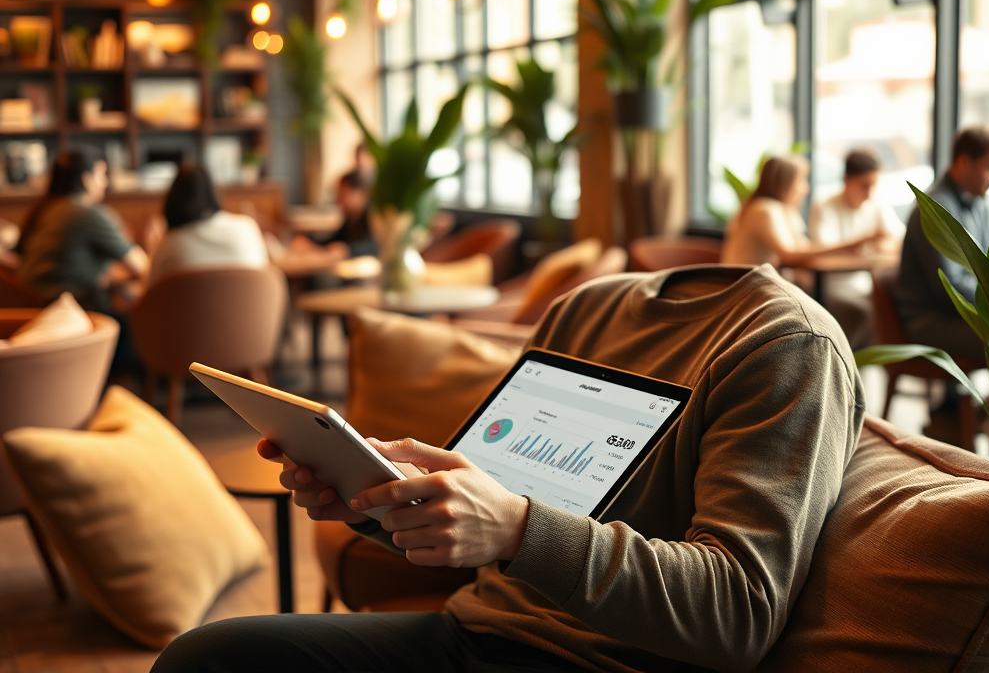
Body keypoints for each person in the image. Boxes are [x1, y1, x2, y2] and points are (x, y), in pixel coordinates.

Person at [152, 262, 865, 672]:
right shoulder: (590, 308)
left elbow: (738, 610)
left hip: (611, 667)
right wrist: (374, 501)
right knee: (209, 661)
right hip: (483, 631)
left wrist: (521, 530)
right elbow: (484, 537)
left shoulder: (787, 348)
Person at [894, 125, 989, 363]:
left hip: (959, 316)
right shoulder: (935, 211)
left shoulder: (978, 202)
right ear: (965, 161)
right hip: (930, 321)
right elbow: (949, 287)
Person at [16, 150, 149, 313]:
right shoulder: (88, 214)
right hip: (74, 308)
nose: (106, 182)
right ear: (86, 179)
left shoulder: (43, 209)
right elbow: (140, 265)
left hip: (32, 304)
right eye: (102, 175)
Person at [808, 148, 905, 348]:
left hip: (869, 283)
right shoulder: (824, 203)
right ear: (846, 180)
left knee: (898, 307)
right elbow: (824, 250)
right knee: (871, 312)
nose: (870, 193)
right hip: (835, 285)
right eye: (864, 186)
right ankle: (850, 363)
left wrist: (868, 246)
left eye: (874, 185)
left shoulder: (876, 203)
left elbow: (898, 240)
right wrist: (867, 241)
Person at [721, 155, 882, 269]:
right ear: (785, 183)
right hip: (742, 290)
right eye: (801, 180)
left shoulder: (784, 211)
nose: (806, 188)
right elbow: (789, 254)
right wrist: (852, 244)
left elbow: (805, 248)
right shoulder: (765, 209)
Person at [148, 163, 268, 284]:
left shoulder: (169, 244)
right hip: (250, 303)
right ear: (212, 193)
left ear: (172, 201)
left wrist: (153, 246)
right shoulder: (247, 228)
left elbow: (149, 291)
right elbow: (265, 276)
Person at [292, 167, 376, 259]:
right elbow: (336, 240)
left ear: (359, 193)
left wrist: (348, 250)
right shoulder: (351, 217)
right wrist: (311, 242)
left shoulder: (373, 215)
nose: (338, 200)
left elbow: (372, 247)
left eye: (343, 194)